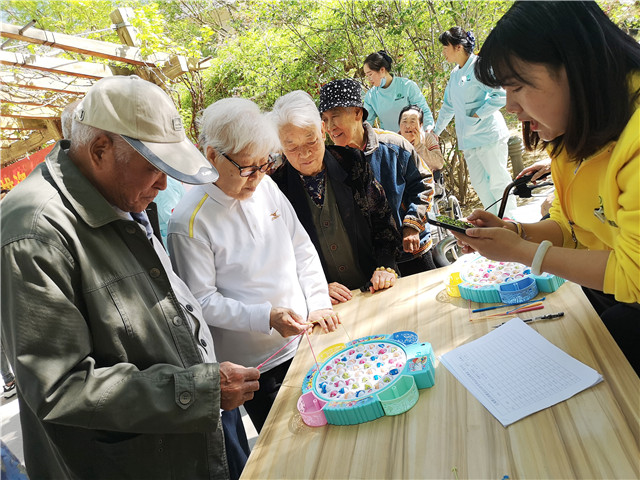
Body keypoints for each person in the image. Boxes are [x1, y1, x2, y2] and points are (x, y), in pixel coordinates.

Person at [0, 75, 260, 479]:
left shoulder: (116, 194)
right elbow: (60, 388)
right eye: (153, 167)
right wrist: (195, 390)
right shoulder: (35, 232)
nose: (164, 183)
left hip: (185, 441)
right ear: (101, 148)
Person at [453, 1, 640, 374]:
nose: (510, 106)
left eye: (518, 87)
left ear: (575, 67)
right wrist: (513, 232)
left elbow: (633, 276)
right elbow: (571, 227)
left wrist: (523, 252)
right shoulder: (576, 128)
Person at [167, 98, 339, 433]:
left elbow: (300, 247)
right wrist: (266, 316)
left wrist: (317, 302)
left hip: (306, 338)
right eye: (248, 168)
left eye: (264, 165)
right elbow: (201, 302)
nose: (257, 177)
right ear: (212, 155)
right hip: (258, 367)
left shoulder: (265, 186)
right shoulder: (190, 220)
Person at [269, 90, 401, 305]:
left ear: (322, 130)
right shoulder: (276, 187)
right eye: (291, 146)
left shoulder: (352, 163)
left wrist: (384, 266)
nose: (304, 154)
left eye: (310, 141)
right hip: (325, 304)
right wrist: (315, 288)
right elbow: (278, 257)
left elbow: (383, 221)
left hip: (376, 289)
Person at [319, 79, 437, 277]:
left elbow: (424, 183)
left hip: (410, 250)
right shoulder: (330, 163)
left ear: (358, 113)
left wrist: (412, 225)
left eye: (335, 116)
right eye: (325, 119)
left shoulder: (393, 146)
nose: (330, 126)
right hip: (373, 263)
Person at [434, 27, 517, 218]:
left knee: (498, 180)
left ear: (458, 47)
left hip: (489, 136)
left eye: (445, 47)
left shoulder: (479, 66)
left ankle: (510, 221)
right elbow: (448, 106)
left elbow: (501, 95)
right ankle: (494, 221)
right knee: (480, 184)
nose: (443, 52)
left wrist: (477, 115)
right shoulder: (455, 74)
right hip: (469, 140)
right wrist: (436, 132)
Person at [363, 51, 434, 133]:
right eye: (366, 76)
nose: (369, 79)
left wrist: (429, 129)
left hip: (413, 139)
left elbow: (424, 110)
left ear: (382, 70)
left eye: (370, 74)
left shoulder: (407, 86)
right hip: (390, 142)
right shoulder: (371, 96)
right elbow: (366, 123)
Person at [398, 105, 445, 176]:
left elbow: (439, 164)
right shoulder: (393, 141)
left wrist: (419, 146)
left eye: (412, 122)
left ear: (420, 125)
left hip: (425, 184)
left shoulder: (427, 138)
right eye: (404, 121)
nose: (407, 126)